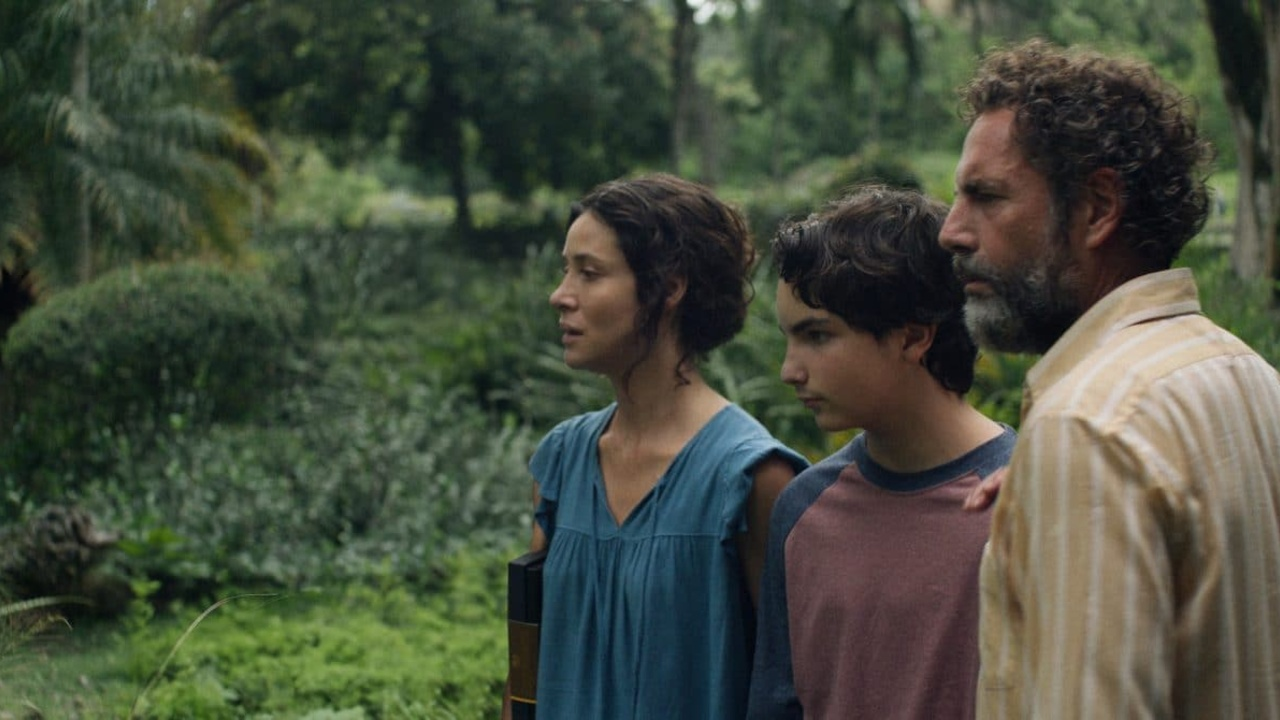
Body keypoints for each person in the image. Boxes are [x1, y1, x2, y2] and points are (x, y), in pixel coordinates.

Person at [938, 39, 1280, 718]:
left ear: (1098, 208)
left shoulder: (1091, 427)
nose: (952, 230)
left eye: (986, 197)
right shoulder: (1250, 376)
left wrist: (1078, 462)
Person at [503, 173, 809, 720]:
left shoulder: (751, 478)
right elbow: (526, 666)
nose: (560, 295)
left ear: (670, 287)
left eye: (589, 273)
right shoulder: (561, 463)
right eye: (565, 270)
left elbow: (789, 686)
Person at [747, 185, 1016, 720]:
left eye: (817, 336)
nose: (789, 369)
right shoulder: (805, 509)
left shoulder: (1021, 498)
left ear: (913, 338)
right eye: (788, 339)